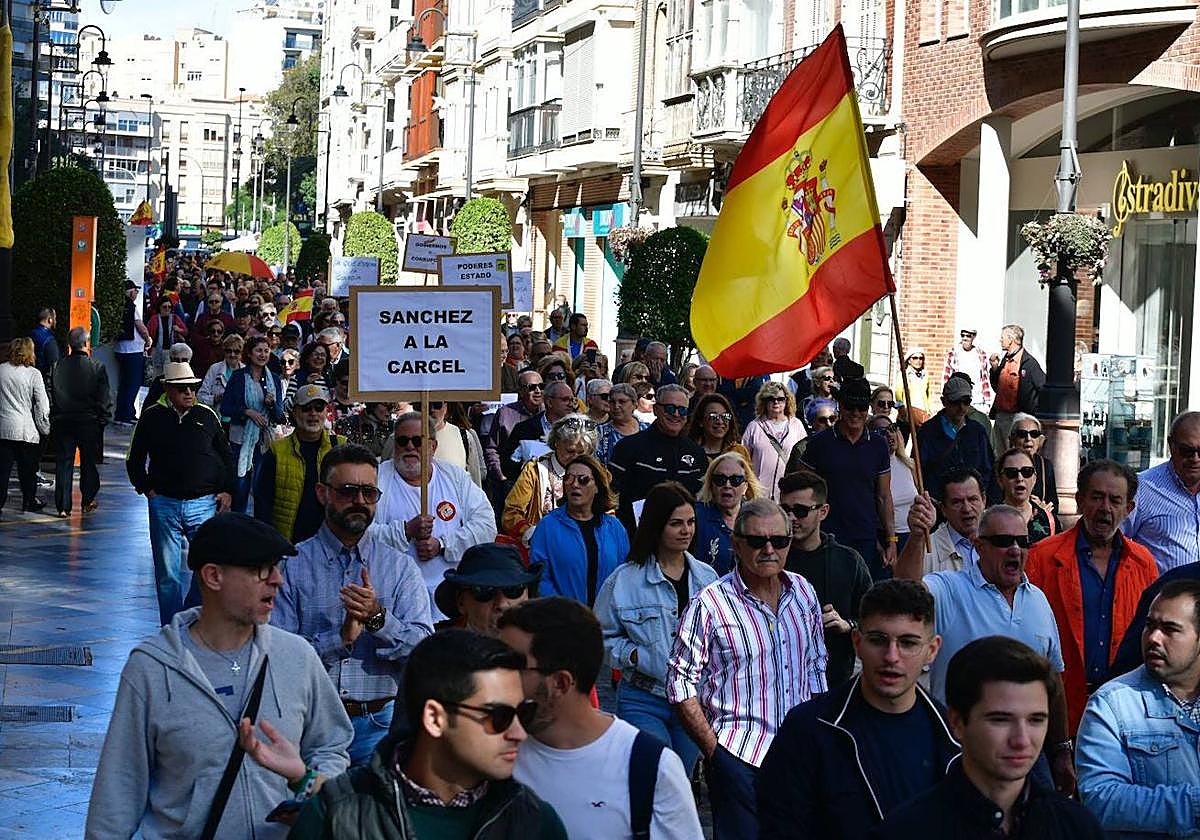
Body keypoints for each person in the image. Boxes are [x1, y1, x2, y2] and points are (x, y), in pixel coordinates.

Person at [85, 513, 355, 840]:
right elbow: (119, 788)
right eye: (260, 569)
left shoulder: (296, 656)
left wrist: (306, 792)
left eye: (276, 567)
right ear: (213, 576)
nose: (277, 580)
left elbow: (332, 745)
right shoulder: (152, 668)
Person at [289, 629, 568, 839]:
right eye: (500, 717)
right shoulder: (334, 816)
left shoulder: (535, 822)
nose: (519, 733)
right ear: (435, 718)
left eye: (524, 713)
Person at [668, 497, 827, 838]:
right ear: (736, 544)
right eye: (757, 541)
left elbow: (816, 669)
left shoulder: (804, 593)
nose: (769, 549)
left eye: (780, 541)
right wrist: (715, 753)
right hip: (739, 755)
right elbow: (680, 684)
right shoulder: (709, 604)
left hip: (800, 756)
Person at [892, 504, 1075, 793]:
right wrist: (916, 537)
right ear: (979, 546)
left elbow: (1053, 680)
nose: (1015, 549)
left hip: (1026, 752)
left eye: (1022, 541)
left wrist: (1062, 750)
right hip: (959, 752)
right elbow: (904, 593)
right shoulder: (951, 589)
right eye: (1003, 542)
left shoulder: (1038, 599)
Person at [758, 580, 957, 840]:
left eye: (908, 643)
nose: (891, 656)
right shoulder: (809, 730)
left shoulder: (955, 738)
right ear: (857, 642)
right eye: (878, 640)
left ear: (932, 651)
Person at [273, 444, 433, 765]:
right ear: (322, 493)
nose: (359, 501)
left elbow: (422, 654)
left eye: (369, 492)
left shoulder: (399, 568)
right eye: (347, 491)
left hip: (381, 726)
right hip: (310, 725)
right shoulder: (291, 566)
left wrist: (378, 620)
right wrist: (340, 640)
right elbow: (279, 660)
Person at [500, 597, 704, 840]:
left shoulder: (649, 766)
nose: (496, 677)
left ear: (560, 683)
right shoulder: (491, 753)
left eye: (512, 666)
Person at [876, 636, 1101, 839]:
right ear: (957, 722)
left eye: (1035, 720)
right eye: (1000, 720)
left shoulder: (1078, 827)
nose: (1021, 740)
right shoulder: (905, 832)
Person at [1025, 459, 1159, 735]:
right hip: (1056, 707)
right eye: (1096, 497)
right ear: (1079, 501)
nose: (1105, 508)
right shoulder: (1042, 557)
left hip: (1122, 710)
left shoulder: (1143, 563)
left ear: (1129, 509)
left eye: (1115, 500)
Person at [595, 482, 718, 775]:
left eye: (690, 522)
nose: (686, 530)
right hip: (642, 696)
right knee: (661, 772)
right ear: (656, 525)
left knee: (680, 779)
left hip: (694, 699)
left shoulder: (707, 577)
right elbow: (600, 636)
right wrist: (633, 655)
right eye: (676, 523)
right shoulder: (624, 580)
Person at [1076, 580, 1200, 837]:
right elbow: (1101, 800)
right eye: (1149, 626)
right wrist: (1193, 805)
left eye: (1170, 629)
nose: (1153, 638)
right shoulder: (1112, 703)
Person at [128, 362, 235, 625]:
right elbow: (134, 457)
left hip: (203, 504)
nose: (189, 392)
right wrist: (147, 489)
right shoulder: (152, 416)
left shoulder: (206, 415)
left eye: (193, 387)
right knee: (167, 574)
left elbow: (225, 455)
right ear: (168, 390)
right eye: (182, 388)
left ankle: (191, 616)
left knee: (209, 565)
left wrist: (227, 490)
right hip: (164, 502)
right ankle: (172, 628)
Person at [374, 412, 497, 617]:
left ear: (433, 446)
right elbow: (360, 536)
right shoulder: (377, 479)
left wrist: (442, 545)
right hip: (396, 603)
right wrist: (405, 531)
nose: (410, 447)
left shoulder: (455, 477)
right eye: (403, 441)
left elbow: (486, 526)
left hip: (449, 603)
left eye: (418, 441)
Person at [779, 469, 874, 688]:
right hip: (777, 683)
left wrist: (846, 624)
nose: (792, 517)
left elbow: (873, 619)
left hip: (833, 682)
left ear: (823, 511)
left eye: (801, 511)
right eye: (785, 509)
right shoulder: (769, 558)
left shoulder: (848, 561)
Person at [799, 377, 896, 582]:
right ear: (840, 406)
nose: (855, 413)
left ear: (868, 408)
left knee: (863, 600)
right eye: (850, 406)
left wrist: (891, 540)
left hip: (865, 537)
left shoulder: (878, 445)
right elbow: (802, 489)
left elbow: (884, 496)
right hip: (826, 536)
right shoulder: (820, 443)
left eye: (861, 407)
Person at [528, 453, 628, 605]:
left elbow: (625, 576)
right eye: (568, 478)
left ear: (597, 487)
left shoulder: (614, 528)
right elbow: (541, 578)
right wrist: (566, 615)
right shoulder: (548, 526)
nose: (574, 484)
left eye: (583, 479)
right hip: (564, 620)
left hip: (609, 623)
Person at [609, 384, 708, 536]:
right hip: (636, 537)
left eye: (682, 410)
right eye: (670, 408)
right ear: (656, 409)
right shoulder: (628, 447)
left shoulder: (696, 452)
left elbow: (702, 498)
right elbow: (611, 495)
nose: (676, 414)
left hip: (682, 539)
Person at [254, 384, 345, 543]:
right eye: (306, 408)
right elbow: (263, 503)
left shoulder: (341, 447)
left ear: (326, 411)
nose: (313, 414)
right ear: (295, 412)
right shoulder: (277, 450)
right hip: (289, 543)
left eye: (318, 408)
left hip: (333, 542)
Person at [503, 414, 599, 545]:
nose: (575, 457)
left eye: (581, 453)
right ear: (556, 443)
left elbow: (607, 509)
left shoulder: (598, 473)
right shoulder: (535, 470)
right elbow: (511, 513)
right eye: (570, 451)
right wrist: (534, 533)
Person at [1123, 410, 1200, 573]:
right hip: (1158, 596)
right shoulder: (1141, 488)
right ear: (1171, 445)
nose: (1195, 458)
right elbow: (1111, 544)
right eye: (1187, 451)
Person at [50, 327, 111, 518]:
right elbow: (104, 398)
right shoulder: (97, 367)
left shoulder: (57, 366)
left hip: (63, 419)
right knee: (89, 462)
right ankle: (87, 500)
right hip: (88, 420)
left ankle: (62, 505)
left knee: (64, 462)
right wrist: (103, 419)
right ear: (86, 343)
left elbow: (50, 393)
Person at [222, 335, 285, 513]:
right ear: (249, 354)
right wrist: (246, 412)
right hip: (241, 440)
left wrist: (272, 405)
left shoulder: (274, 379)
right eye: (258, 350)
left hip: (264, 442)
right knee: (241, 488)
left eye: (266, 351)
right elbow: (226, 408)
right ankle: (238, 528)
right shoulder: (238, 377)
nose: (263, 354)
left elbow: (279, 416)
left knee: (262, 490)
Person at [432, 543, 541, 634]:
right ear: (461, 602)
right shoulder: (436, 653)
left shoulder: (549, 651)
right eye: (484, 591)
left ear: (528, 596)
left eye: (513, 590)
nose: (502, 604)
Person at [916, 376, 995, 500]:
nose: (961, 407)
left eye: (966, 401)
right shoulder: (928, 431)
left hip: (971, 500)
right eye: (955, 402)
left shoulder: (977, 431)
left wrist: (980, 497)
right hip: (939, 502)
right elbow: (919, 470)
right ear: (944, 401)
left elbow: (987, 468)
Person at [900, 468, 986, 576]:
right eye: (957, 502)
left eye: (972, 499)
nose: (967, 509)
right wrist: (917, 536)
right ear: (943, 509)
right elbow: (904, 586)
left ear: (984, 500)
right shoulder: (926, 550)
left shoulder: (1004, 538)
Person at [691, 451, 764, 574]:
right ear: (711, 485)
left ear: (745, 486)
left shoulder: (758, 519)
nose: (727, 485)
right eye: (720, 479)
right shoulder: (694, 516)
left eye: (735, 480)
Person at [0, 337, 50, 514]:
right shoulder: (33, 374)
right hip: (26, 429)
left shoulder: (1, 371)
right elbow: (42, 404)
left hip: (3, 428)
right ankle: (29, 500)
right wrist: (44, 426)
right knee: (27, 469)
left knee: (2, 471)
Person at [741, 380, 807, 501]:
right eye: (771, 398)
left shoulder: (796, 425)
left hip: (789, 493)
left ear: (787, 400)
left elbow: (804, 456)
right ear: (764, 401)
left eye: (780, 399)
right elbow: (744, 460)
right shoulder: (754, 426)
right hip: (759, 495)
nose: (776, 402)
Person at [484, 368, 544, 496]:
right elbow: (492, 448)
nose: (538, 391)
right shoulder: (505, 414)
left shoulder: (549, 413)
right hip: (511, 483)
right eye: (532, 387)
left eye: (541, 386)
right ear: (521, 391)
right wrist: (500, 476)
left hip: (542, 483)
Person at [989, 323, 1045, 454]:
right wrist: (995, 368)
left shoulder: (1029, 363)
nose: (1000, 340)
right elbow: (997, 386)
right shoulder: (1006, 359)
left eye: (1003, 337)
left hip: (1017, 417)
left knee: (1016, 452)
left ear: (1011, 339)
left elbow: (1042, 387)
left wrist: (1033, 412)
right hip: (1001, 415)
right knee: (999, 453)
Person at [502, 380, 578, 477]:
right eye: (565, 399)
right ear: (549, 402)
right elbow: (507, 465)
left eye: (572, 400)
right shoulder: (524, 429)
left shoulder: (580, 429)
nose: (570, 404)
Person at [870, 414, 916, 549]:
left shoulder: (909, 464)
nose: (889, 435)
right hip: (887, 539)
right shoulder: (873, 470)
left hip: (913, 534)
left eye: (892, 428)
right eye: (882, 432)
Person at [996, 448, 1060, 544]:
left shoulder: (1049, 521)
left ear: (1034, 479)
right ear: (1000, 480)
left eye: (1027, 472)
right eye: (1011, 473)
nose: (1020, 478)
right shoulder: (989, 521)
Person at [114, 280, 152, 426]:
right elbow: (140, 326)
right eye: (135, 291)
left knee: (124, 383)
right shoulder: (131, 306)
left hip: (120, 350)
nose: (136, 294)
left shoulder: (117, 306)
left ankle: (121, 414)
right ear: (130, 292)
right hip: (133, 351)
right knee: (132, 383)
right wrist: (147, 339)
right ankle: (127, 414)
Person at [1008, 412, 1059, 511]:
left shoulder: (1046, 466)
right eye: (1022, 434)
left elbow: (1054, 505)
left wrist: (1043, 509)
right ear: (1012, 439)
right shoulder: (1004, 465)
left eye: (1034, 434)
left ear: (1040, 440)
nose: (1028, 439)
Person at [687, 391, 750, 461]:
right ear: (700, 421)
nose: (720, 421)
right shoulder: (690, 453)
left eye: (725, 416)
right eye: (713, 416)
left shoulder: (739, 451)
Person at [942, 327, 993, 413]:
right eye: (962, 335)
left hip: (977, 401)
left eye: (968, 336)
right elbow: (946, 378)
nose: (965, 338)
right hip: (959, 399)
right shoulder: (953, 354)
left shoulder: (980, 354)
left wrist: (987, 401)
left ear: (973, 337)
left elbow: (984, 379)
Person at [594, 382, 647, 464]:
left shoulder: (647, 430)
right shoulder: (599, 432)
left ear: (634, 404)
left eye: (622, 402)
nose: (616, 406)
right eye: (612, 402)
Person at [199, 333, 244, 414]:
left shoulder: (246, 371)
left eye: (236, 351)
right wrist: (216, 398)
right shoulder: (214, 369)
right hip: (218, 418)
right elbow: (200, 397)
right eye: (229, 351)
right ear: (224, 351)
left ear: (241, 353)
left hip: (239, 420)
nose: (232, 354)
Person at [894, 347, 935, 427]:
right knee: (903, 436)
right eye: (915, 358)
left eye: (921, 358)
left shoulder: (925, 375)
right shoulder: (903, 374)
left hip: (921, 412)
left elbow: (928, 394)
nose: (918, 361)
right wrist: (901, 407)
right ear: (909, 360)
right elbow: (898, 392)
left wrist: (929, 410)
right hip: (907, 411)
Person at [30, 306, 60, 389]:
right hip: (43, 382)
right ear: (50, 319)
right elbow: (54, 365)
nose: (56, 321)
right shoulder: (50, 340)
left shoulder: (30, 335)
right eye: (55, 318)